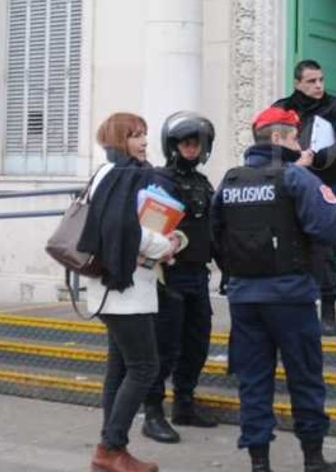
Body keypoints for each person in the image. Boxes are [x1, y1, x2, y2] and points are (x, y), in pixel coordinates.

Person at [211, 106, 336, 472]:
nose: (298, 143)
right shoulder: (296, 178)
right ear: (276, 138)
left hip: (244, 299)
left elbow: (215, 236)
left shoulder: (231, 180)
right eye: (292, 136)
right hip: (291, 298)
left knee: (253, 383)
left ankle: (259, 463)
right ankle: (314, 460)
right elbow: (329, 229)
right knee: (305, 379)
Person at [78, 112, 185, 472]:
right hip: (124, 289)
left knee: (120, 368)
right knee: (144, 367)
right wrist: (164, 245)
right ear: (118, 139)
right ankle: (110, 448)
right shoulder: (123, 174)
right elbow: (123, 229)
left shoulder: (108, 173)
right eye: (135, 135)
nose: (142, 141)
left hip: (115, 287)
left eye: (144, 134)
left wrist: (170, 239)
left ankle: (112, 448)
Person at [141, 111, 221, 444]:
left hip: (198, 275)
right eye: (186, 142)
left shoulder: (203, 183)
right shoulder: (161, 180)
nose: (192, 148)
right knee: (165, 347)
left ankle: (184, 403)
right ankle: (153, 412)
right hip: (169, 276)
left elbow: (215, 229)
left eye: (197, 142)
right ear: (173, 145)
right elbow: (152, 226)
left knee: (197, 342)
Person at [272, 59, 336, 337]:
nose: (319, 85)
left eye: (321, 79)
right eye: (311, 81)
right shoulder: (282, 108)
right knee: (286, 244)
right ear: (297, 83)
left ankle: (329, 312)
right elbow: (267, 142)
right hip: (290, 184)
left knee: (326, 250)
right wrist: (296, 161)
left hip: (325, 185)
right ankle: (288, 309)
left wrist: (315, 159)